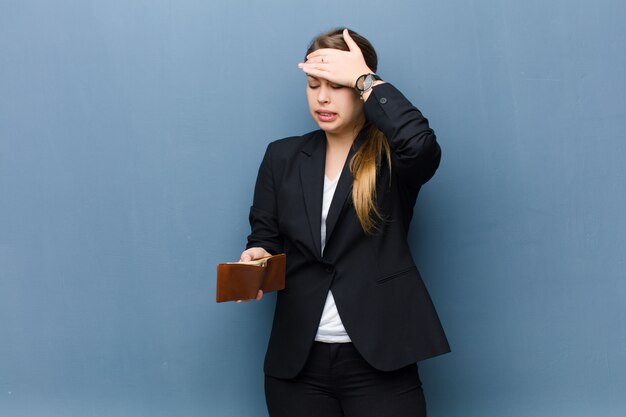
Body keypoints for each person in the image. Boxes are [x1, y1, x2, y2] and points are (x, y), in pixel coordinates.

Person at [239, 28, 450, 417]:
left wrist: (365, 78)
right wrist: (257, 257)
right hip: (297, 366)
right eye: (312, 84)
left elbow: (421, 145)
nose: (322, 97)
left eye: (337, 85)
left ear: (359, 89)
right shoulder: (281, 157)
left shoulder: (392, 161)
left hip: (380, 359)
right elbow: (266, 237)